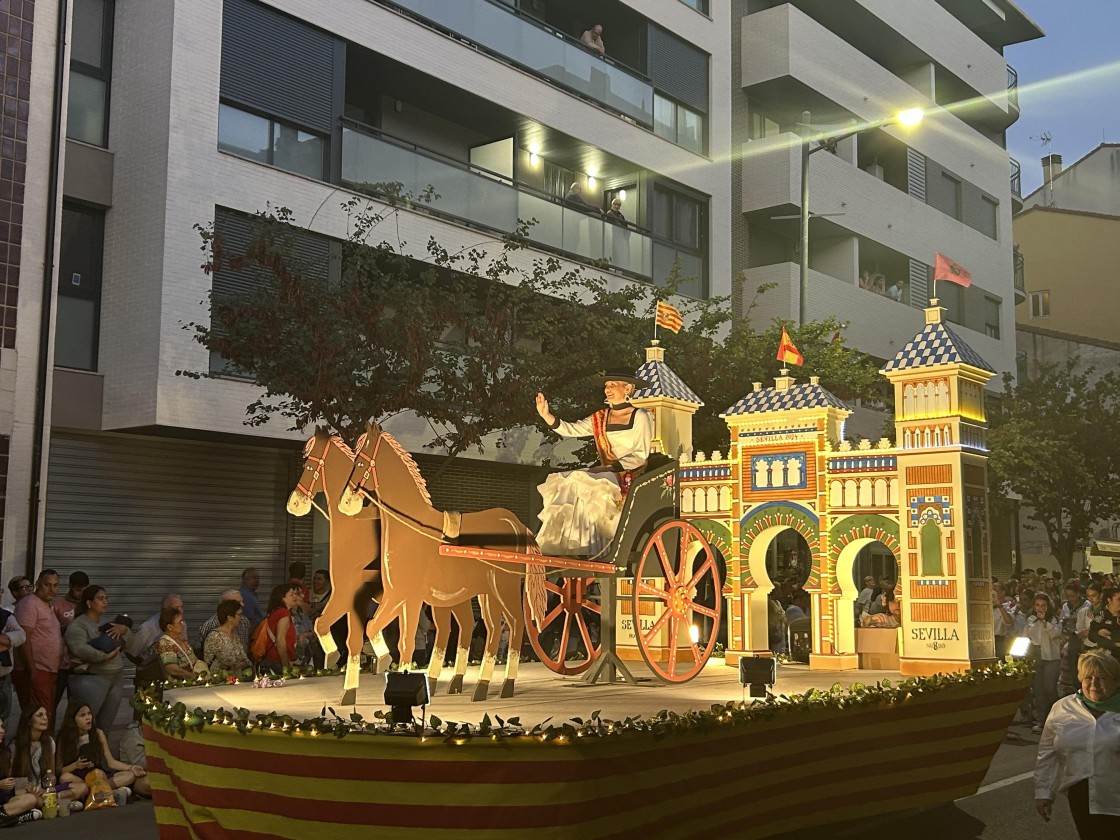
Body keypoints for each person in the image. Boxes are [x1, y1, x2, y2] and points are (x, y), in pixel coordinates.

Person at [533, 372, 654, 556]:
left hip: (629, 474)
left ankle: (593, 548)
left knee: (583, 480)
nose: (608, 389)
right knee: (569, 479)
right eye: (606, 385)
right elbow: (572, 429)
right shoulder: (600, 418)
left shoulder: (641, 416)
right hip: (605, 473)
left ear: (627, 388)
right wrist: (547, 416)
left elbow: (640, 455)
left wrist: (611, 467)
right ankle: (570, 545)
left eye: (613, 384)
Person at [1035, 649, 1120, 837]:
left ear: (1116, 681)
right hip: (1081, 796)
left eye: (1102, 678)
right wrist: (1044, 792)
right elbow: (1048, 753)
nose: (1094, 684)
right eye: (1088, 677)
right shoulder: (1063, 708)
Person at [65, 585, 132, 731]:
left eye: (106, 599)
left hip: (116, 677)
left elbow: (130, 644)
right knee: (85, 723)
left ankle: (101, 751)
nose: (105, 602)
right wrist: (104, 656)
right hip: (93, 678)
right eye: (100, 599)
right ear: (89, 603)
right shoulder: (78, 625)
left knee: (105, 724)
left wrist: (124, 630)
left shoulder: (108, 623)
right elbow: (80, 649)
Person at [56, 700, 150, 799]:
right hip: (78, 779)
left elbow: (111, 762)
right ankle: (102, 792)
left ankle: (92, 793)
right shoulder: (64, 738)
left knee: (130, 775)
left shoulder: (98, 734)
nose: (88, 718)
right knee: (65, 777)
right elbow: (60, 770)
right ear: (73, 719)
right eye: (82, 715)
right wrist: (76, 765)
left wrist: (131, 767)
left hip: (98, 776)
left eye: (89, 714)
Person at [9, 704, 88, 812]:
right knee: (31, 799)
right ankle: (58, 805)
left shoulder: (49, 742)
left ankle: (51, 805)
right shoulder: (15, 746)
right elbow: (12, 778)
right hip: (26, 792)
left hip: (45, 790)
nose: (45, 718)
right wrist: (30, 789)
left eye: (46, 715)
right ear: (29, 720)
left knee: (81, 788)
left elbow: (51, 774)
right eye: (40, 715)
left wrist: (47, 789)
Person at [12, 570, 62, 729]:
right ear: (38, 584)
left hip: (48, 670)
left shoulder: (49, 606)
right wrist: (31, 669)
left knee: (45, 715)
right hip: (36, 669)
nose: (51, 589)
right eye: (47, 585)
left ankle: (43, 749)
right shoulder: (29, 603)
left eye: (55, 585)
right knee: (38, 717)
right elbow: (23, 638)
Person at [1026, 592, 1063, 734]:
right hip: (1036, 655)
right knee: (1038, 690)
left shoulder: (1053, 619)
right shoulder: (1030, 619)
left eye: (1043, 606)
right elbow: (1026, 635)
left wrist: (1044, 621)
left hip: (1052, 658)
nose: (1040, 608)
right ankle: (1041, 720)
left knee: (1049, 689)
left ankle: (1054, 719)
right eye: (1037, 605)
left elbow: (1054, 634)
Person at [52, 570, 89, 711]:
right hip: (60, 663)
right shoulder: (58, 605)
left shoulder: (88, 606)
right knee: (52, 701)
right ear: (70, 586)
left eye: (83, 590)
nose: (80, 594)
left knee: (76, 704)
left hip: (78, 663)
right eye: (77, 589)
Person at [0, 714, 42, 825]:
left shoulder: (5, 753)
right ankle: (17, 816)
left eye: (2, 727)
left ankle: (9, 815)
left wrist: (24, 787)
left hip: (4, 803)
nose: (1, 731)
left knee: (31, 799)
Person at [258, 583, 301, 674]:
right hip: (277, 661)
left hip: (272, 660)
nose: (295, 597)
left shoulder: (275, 611)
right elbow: (280, 640)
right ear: (282, 598)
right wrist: (286, 666)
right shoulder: (283, 613)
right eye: (291, 594)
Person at [157, 607, 207, 681]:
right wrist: (192, 676)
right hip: (182, 683)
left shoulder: (180, 637)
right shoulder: (165, 644)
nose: (183, 624)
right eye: (180, 622)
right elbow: (171, 668)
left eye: (183, 621)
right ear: (170, 627)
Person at [202, 600, 252, 674]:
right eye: (239, 614)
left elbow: (243, 657)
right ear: (230, 617)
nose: (241, 618)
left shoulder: (234, 634)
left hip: (235, 679)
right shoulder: (215, 636)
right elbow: (228, 660)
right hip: (219, 680)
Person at [194, 589, 250, 655]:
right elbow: (200, 649)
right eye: (238, 602)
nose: (242, 604)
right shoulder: (212, 624)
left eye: (242, 601)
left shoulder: (244, 621)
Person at [0, 593, 25, 728]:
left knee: (3, 721)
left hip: (3, 678)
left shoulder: (5, 616)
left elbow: (20, 635)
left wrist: (5, 640)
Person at [1089, 587, 1120, 659]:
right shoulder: (1100, 616)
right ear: (1109, 600)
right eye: (1119, 599)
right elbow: (1091, 635)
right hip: (1107, 658)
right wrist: (1098, 633)